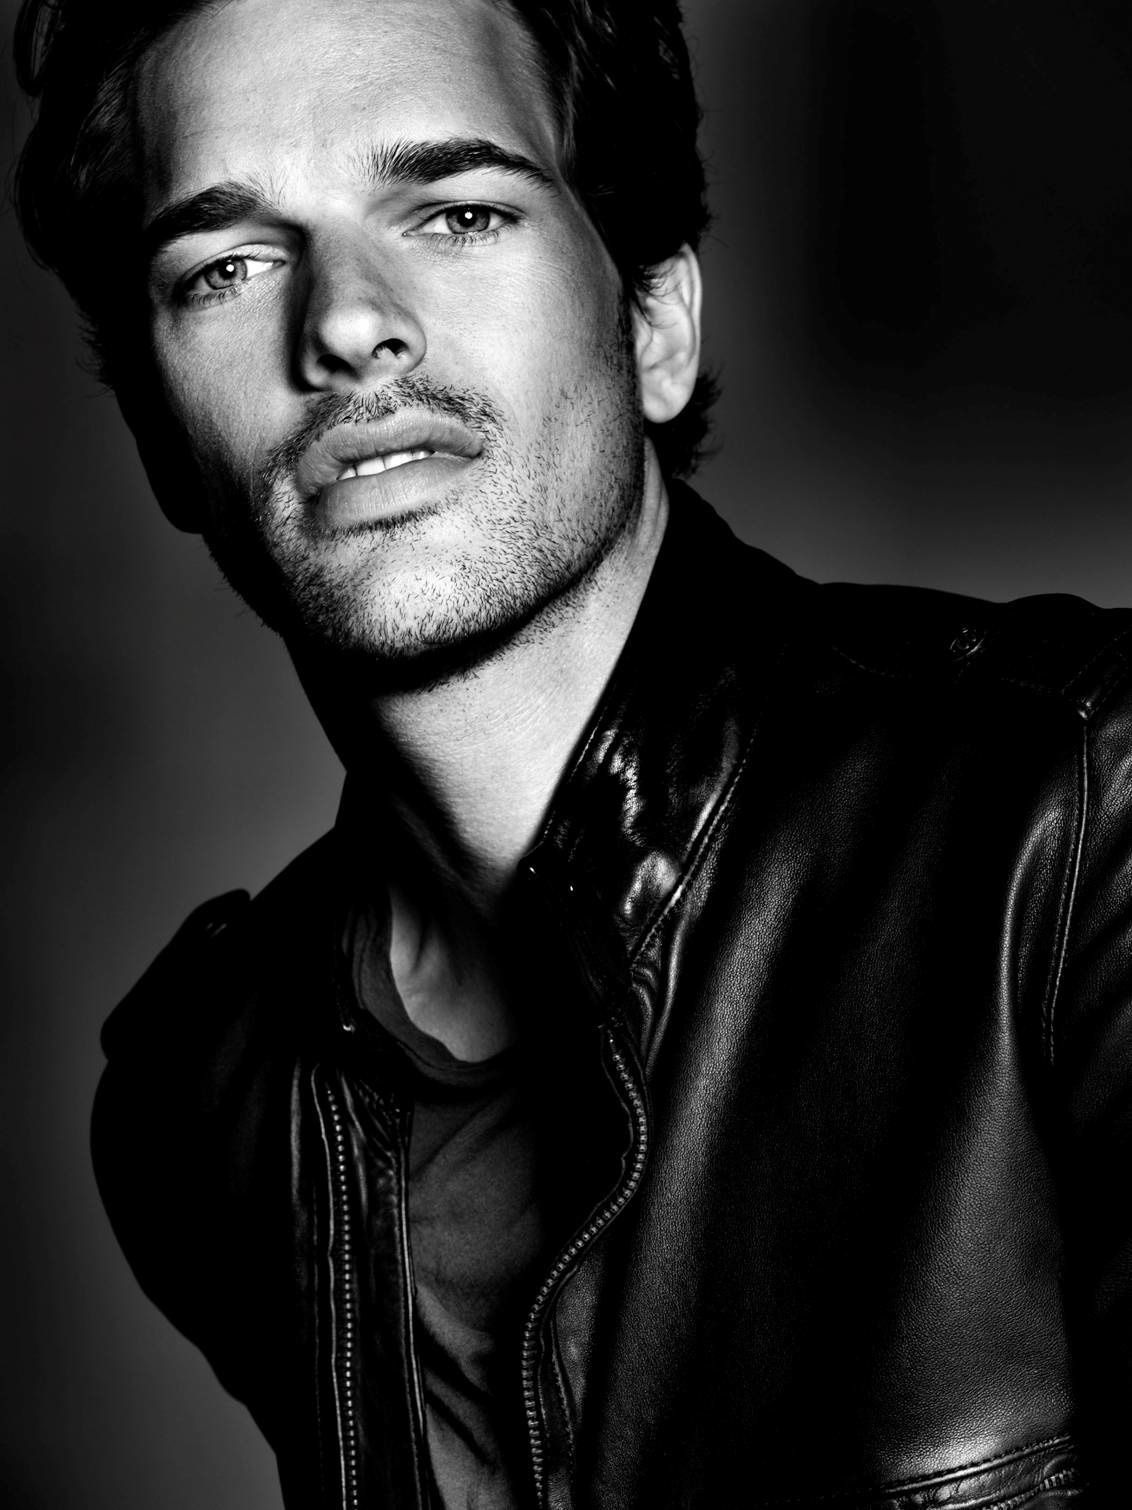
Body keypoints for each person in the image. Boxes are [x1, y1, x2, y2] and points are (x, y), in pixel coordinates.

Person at [12, 0, 1132, 1506]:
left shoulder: (1081, 814)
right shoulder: (203, 1109)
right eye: (228, 265)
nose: (343, 321)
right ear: (160, 438)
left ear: (655, 320)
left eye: (459, 213)